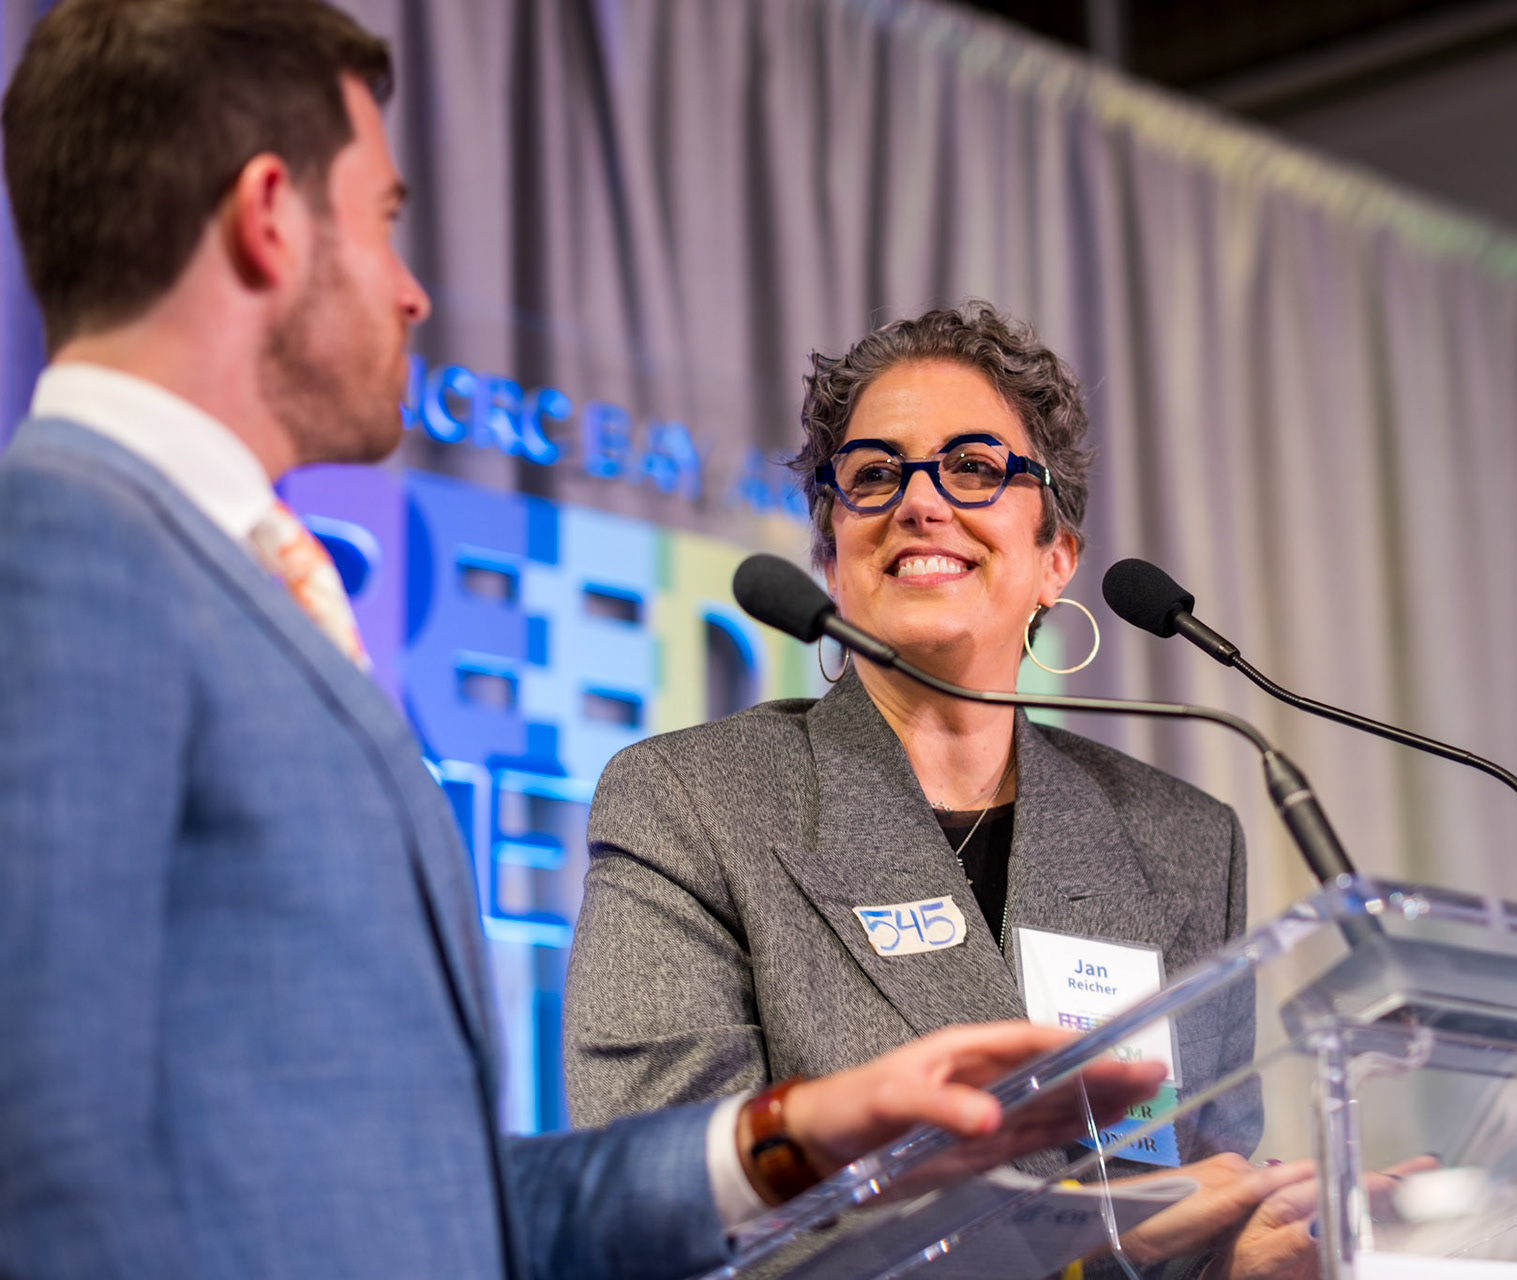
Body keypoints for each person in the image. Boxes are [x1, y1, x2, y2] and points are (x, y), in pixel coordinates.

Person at [0, 5, 1161, 1278]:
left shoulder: (215, 578)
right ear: (269, 216)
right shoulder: (58, 553)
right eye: (384, 219)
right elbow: (39, 1156)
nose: (411, 288)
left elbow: (439, 1205)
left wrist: (795, 1137)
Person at [565, 302, 1311, 1271]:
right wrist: (1081, 1246)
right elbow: (663, 1220)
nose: (920, 502)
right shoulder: (693, 803)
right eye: (875, 474)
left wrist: (1262, 1250)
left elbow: (1201, 1198)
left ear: (1055, 558)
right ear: (831, 558)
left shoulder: (1180, 841)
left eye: (973, 467)